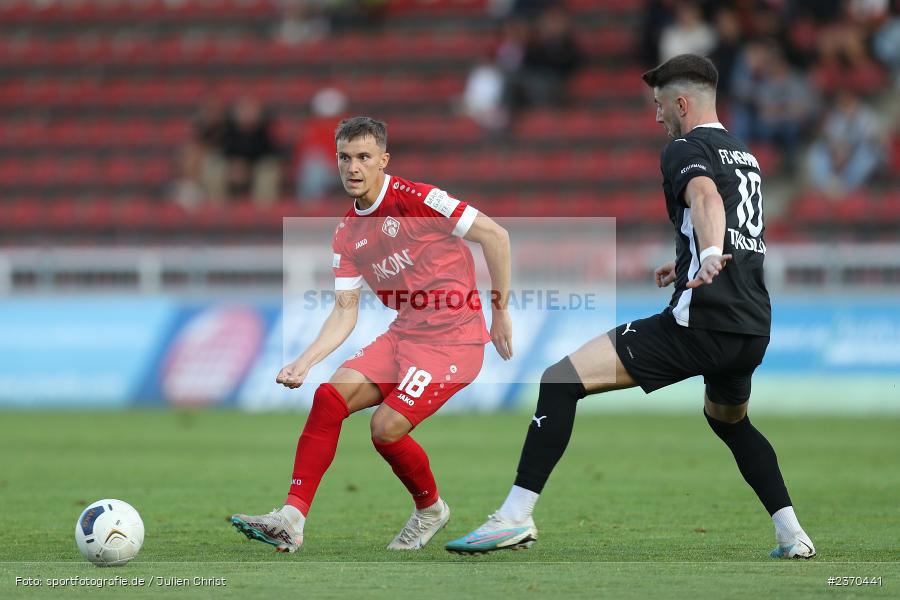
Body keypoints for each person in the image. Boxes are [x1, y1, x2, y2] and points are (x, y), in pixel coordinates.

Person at [445, 55, 816, 560]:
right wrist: (686, 257)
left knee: (559, 380)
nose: (657, 116)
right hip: (752, 328)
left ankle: (513, 517)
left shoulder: (685, 148)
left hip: (700, 323)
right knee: (730, 422)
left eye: (660, 105)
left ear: (681, 103)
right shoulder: (743, 154)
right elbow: (737, 227)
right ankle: (792, 534)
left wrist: (705, 257)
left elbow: (706, 198)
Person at [230, 117, 513, 553]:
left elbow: (496, 235)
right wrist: (305, 361)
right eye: (345, 157)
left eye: (364, 157)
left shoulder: (421, 199)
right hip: (404, 336)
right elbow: (345, 313)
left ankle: (431, 509)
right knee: (328, 398)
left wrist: (500, 312)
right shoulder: (347, 233)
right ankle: (290, 518)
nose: (353, 167)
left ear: (383, 160)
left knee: (384, 429)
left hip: (453, 342)